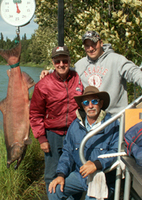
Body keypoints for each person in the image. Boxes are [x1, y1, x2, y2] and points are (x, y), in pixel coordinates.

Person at [40, 31, 142, 116]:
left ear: (101, 43)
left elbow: (134, 73)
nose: (91, 49)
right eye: (87, 46)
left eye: (93, 44)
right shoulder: (81, 64)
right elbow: (67, 70)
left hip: (115, 119)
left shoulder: (116, 60)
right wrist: (49, 72)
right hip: (92, 120)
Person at [29, 45, 84, 199]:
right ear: (53, 62)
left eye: (64, 60)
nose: (61, 64)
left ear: (69, 60)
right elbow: (35, 114)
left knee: (75, 170)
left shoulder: (79, 79)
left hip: (75, 133)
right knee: (52, 173)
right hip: (53, 134)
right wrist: (41, 138)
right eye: (57, 61)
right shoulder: (43, 85)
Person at [48, 86, 119, 200]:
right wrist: (61, 175)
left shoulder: (112, 124)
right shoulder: (75, 126)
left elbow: (116, 152)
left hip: (102, 177)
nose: (90, 106)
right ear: (82, 106)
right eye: (86, 102)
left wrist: (96, 164)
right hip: (80, 176)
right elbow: (67, 153)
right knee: (54, 190)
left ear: (101, 103)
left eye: (94, 101)